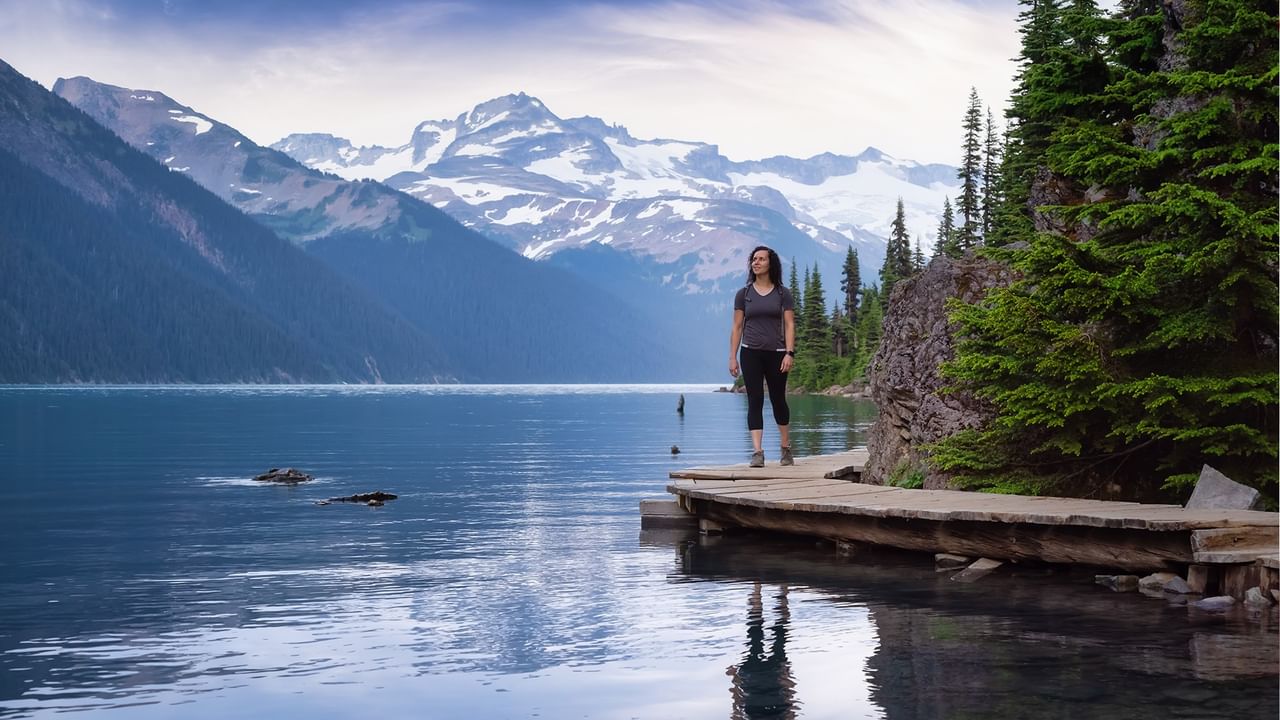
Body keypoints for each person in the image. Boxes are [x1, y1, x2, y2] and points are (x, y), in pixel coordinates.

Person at [728, 246, 795, 467]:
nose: (756, 263)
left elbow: (789, 324)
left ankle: (785, 447)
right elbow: (737, 327)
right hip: (750, 353)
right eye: (754, 259)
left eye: (761, 259)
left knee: (778, 400)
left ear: (770, 264)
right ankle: (758, 452)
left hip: (777, 354)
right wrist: (733, 356)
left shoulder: (782, 293)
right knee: (754, 400)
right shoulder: (744, 294)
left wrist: (789, 352)